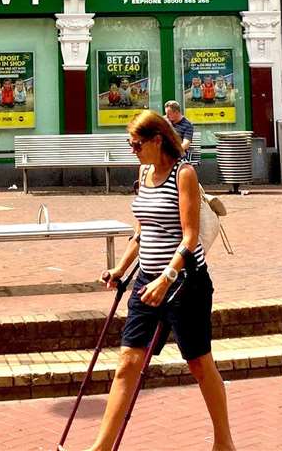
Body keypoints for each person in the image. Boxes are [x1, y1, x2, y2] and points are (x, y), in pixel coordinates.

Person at [84, 110, 234, 451]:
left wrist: (166, 279)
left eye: (136, 144)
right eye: (129, 144)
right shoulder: (144, 172)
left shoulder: (184, 174)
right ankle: (102, 448)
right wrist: (120, 270)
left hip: (184, 285)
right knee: (127, 364)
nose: (132, 150)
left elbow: (190, 238)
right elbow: (141, 232)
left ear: (157, 140)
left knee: (198, 362)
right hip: (146, 282)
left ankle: (224, 442)